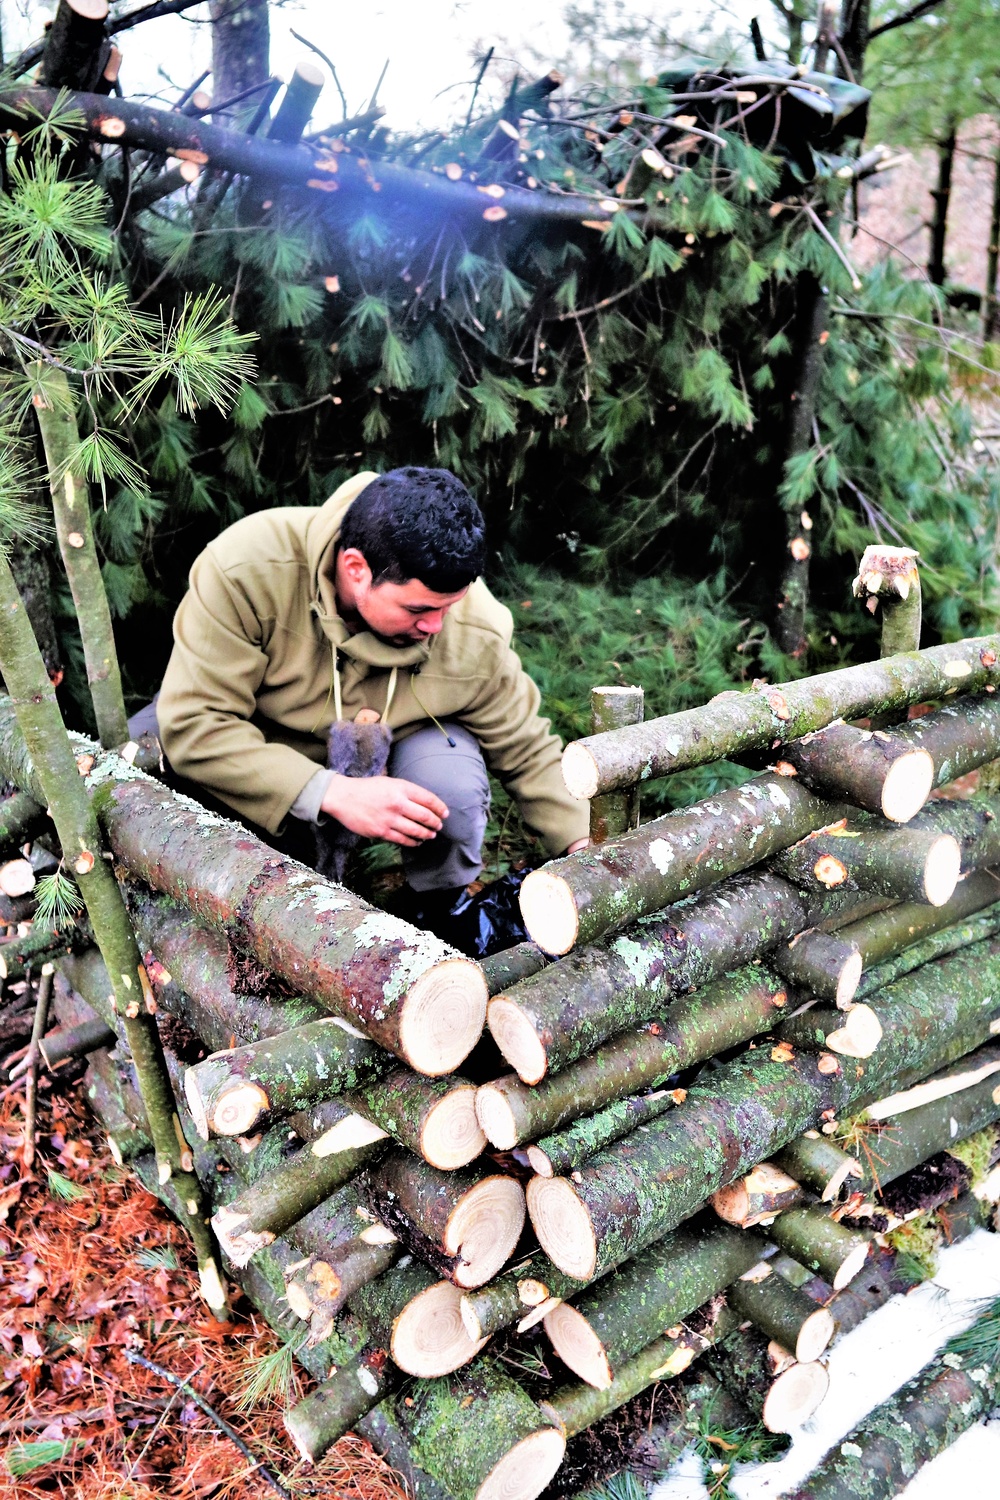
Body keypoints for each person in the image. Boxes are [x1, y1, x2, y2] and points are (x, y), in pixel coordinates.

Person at [135, 466, 589, 928]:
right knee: (144, 759)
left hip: (401, 741)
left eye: (448, 608)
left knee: (453, 789)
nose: (436, 627)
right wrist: (329, 791)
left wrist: (586, 846)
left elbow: (528, 750)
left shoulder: (474, 626)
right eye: (419, 610)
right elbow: (195, 723)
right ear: (356, 570)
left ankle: (434, 917)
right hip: (267, 740)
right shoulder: (247, 570)